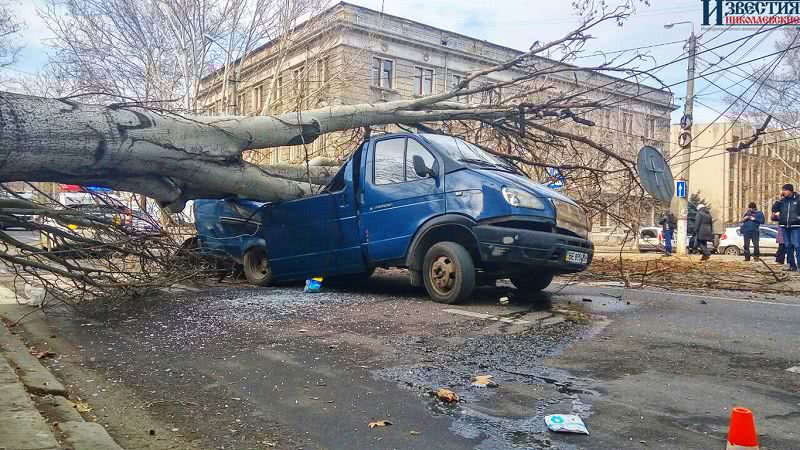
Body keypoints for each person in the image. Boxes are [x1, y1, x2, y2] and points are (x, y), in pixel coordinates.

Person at [771, 183, 800, 271]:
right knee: (787, 246)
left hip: (796, 225)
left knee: (797, 245)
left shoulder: (798, 199)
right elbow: (774, 209)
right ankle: (792, 266)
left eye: (785, 190)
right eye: (782, 190)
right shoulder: (782, 201)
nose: (783, 192)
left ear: (790, 191)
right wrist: (779, 200)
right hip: (784, 226)